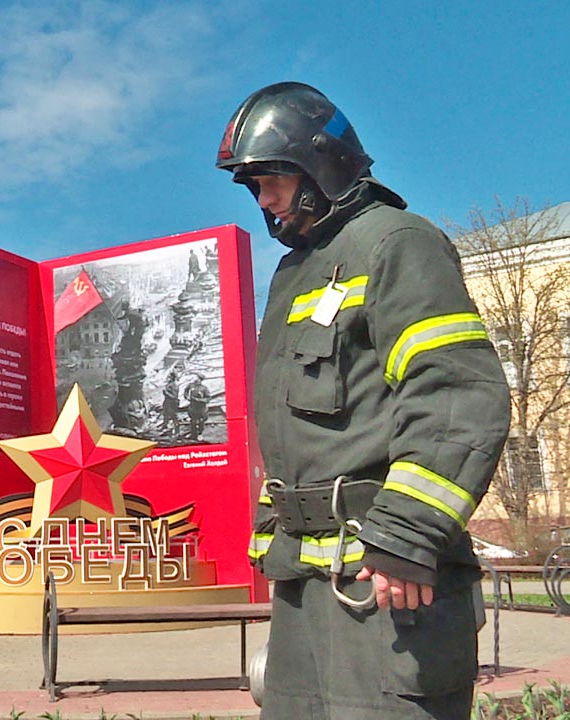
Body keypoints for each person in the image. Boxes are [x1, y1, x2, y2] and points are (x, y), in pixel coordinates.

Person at [217, 82, 509, 718]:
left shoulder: (396, 243)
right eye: (252, 185)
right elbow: (294, 428)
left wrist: (408, 534)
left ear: (320, 166)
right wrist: (275, 530)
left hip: (390, 588)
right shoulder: (297, 274)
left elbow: (456, 394)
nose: (262, 199)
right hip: (306, 598)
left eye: (271, 179)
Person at [183, 375, 210, 441]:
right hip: (192, 407)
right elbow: (186, 390)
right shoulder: (191, 385)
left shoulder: (204, 388)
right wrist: (186, 397)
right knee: (193, 421)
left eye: (196, 377)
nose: (194, 378)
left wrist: (198, 400)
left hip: (201, 408)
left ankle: (200, 434)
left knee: (201, 421)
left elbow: (208, 399)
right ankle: (193, 434)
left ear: (200, 379)